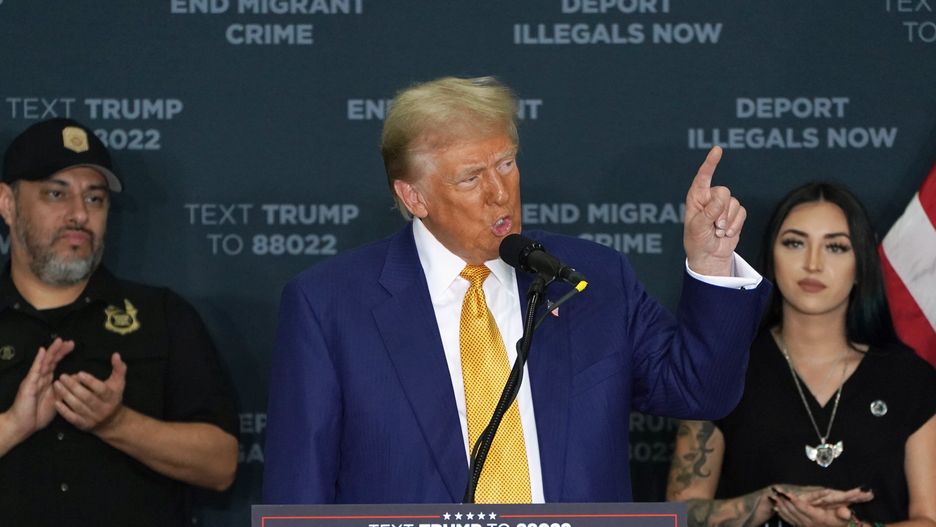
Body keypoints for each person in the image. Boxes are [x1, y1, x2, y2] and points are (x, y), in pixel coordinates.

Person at [263, 76, 771, 504]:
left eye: (506, 163)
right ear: (413, 195)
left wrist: (711, 262)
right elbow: (298, 492)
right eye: (470, 178)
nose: (499, 192)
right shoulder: (329, 306)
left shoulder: (590, 277)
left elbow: (701, 392)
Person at [0, 118, 239, 527]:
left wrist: (117, 423)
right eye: (56, 194)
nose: (78, 215)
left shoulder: (162, 316)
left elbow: (220, 465)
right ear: (7, 203)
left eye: (95, 199)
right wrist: (12, 425)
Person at [666, 182, 936, 527]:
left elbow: (928, 518)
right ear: (771, 257)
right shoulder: (721, 368)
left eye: (836, 247)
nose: (813, 263)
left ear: (861, 265)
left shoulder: (910, 379)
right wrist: (768, 500)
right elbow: (677, 515)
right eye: (795, 243)